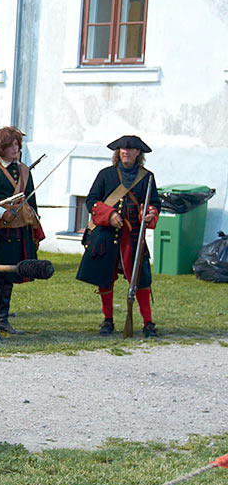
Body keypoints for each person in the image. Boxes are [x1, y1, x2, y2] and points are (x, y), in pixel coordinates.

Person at [76, 135, 161, 337]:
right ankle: (108, 320)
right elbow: (92, 201)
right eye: (122, 149)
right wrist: (110, 214)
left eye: (130, 149)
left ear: (138, 153)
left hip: (132, 238)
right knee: (105, 279)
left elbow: (154, 203)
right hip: (106, 235)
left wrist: (149, 213)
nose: (126, 152)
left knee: (141, 280)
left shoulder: (147, 177)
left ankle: (148, 322)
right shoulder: (106, 175)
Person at [0, 127, 43, 341]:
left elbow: (31, 201)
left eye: (17, 145)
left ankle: (3, 319)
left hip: (19, 232)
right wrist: (2, 213)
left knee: (10, 277)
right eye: (11, 145)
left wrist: (35, 226)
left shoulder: (23, 170)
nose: (16, 148)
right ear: (0, 147)